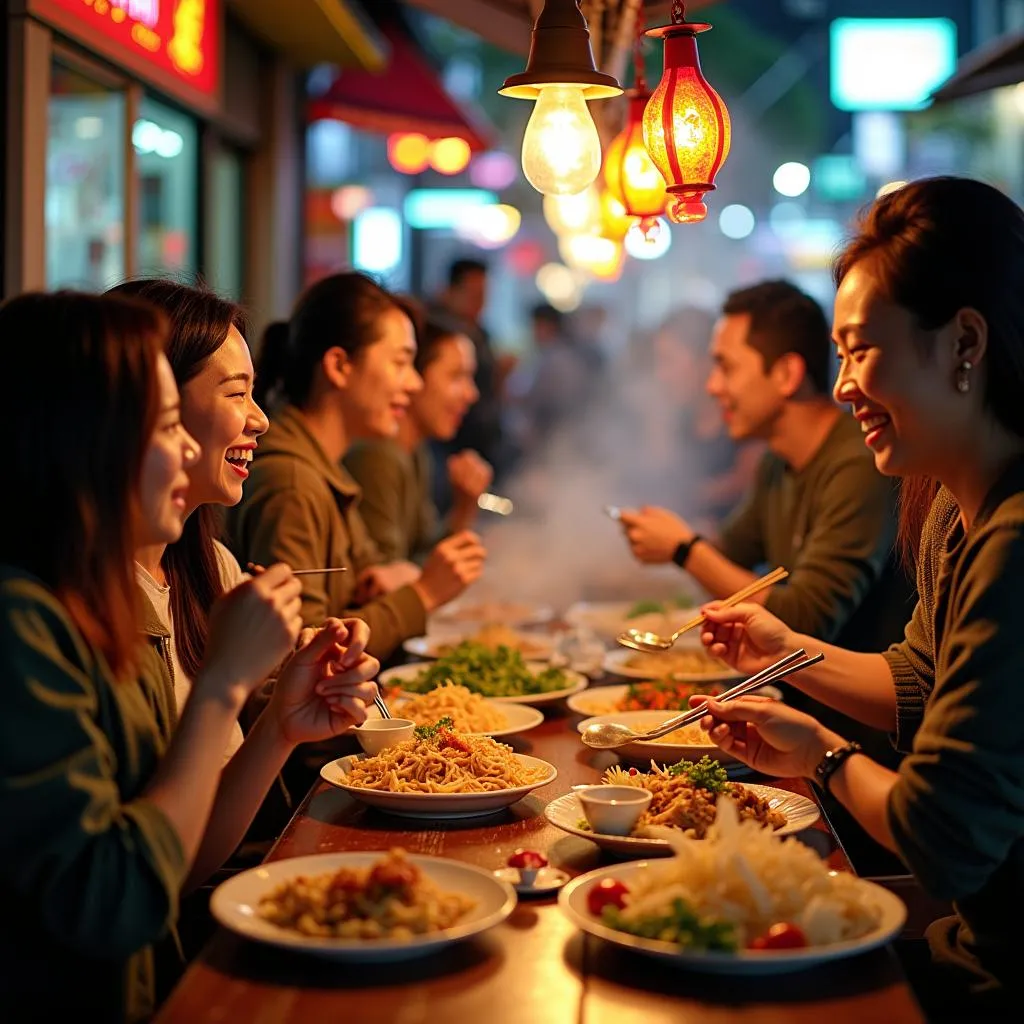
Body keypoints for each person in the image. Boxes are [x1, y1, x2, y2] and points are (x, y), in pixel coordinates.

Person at [694, 177, 1024, 1016]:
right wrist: (780, 651)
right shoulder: (956, 506)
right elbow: (915, 677)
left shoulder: (1014, 539)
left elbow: (942, 840)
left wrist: (819, 755)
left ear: (964, 344)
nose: (842, 387)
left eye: (861, 350)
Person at [0, 292, 378, 1021]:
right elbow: (116, 901)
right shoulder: (29, 622)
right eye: (166, 422)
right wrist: (224, 687)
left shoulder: (112, 593)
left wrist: (281, 725)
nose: (184, 448)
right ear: (85, 437)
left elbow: (176, 861)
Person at [619, 281, 908, 655]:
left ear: (787, 373)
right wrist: (668, 537)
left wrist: (684, 550)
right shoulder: (777, 462)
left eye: (726, 367)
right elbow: (730, 552)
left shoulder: (858, 463)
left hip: (842, 712)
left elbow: (808, 619)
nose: (712, 386)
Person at [230, 271, 487, 660]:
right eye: (401, 363)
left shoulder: (326, 466)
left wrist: (400, 580)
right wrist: (423, 594)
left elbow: (373, 577)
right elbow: (299, 657)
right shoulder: (293, 482)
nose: (414, 384)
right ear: (339, 366)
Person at [108, 279, 267, 762]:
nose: (259, 420)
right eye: (237, 393)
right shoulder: (70, 609)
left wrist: (285, 709)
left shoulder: (213, 566)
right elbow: (155, 835)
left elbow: (212, 826)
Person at [345, 311, 492, 562]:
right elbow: (387, 583)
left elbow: (423, 558)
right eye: (456, 376)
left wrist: (465, 508)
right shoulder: (378, 455)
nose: (471, 394)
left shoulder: (415, 452)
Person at [429, 257, 510, 494]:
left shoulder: (481, 333)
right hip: (450, 443)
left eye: (484, 296)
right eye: (474, 295)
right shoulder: (440, 332)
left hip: (479, 440)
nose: (481, 303)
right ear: (450, 291)